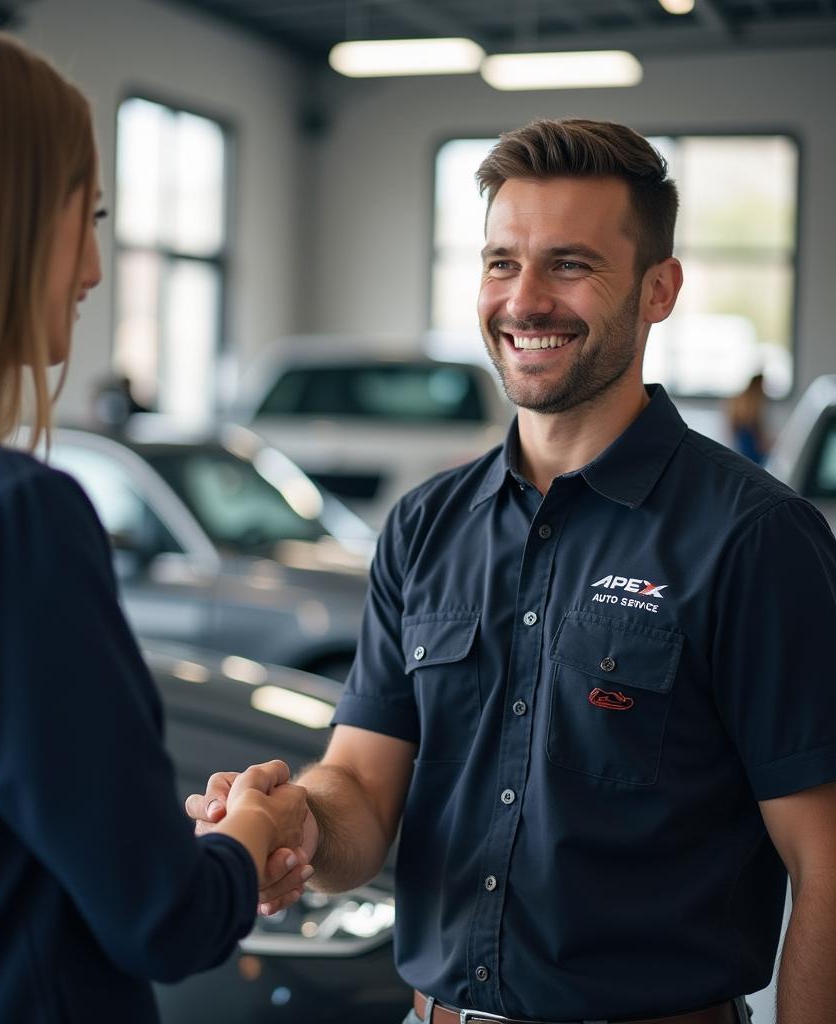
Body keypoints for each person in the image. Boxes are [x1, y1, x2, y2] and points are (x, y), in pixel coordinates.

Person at [189, 119, 836, 1024]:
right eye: (501, 263)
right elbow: (365, 793)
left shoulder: (756, 539)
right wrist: (291, 821)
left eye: (569, 264)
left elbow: (827, 862)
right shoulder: (422, 528)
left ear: (660, 290)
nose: (524, 300)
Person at [0, 21, 306, 1023]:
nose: (91, 269)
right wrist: (247, 837)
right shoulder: (7, 520)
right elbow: (160, 917)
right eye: (87, 216)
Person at [726, 371, 770, 464]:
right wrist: (763, 443)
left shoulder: (740, 399)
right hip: (749, 441)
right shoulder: (753, 401)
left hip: (742, 441)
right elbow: (756, 427)